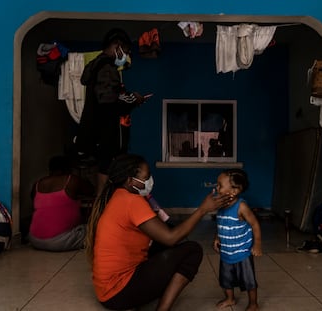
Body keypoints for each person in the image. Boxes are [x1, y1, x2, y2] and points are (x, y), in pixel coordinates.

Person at [85, 153, 233, 311]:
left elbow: (165, 234)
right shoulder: (132, 201)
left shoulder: (118, 196)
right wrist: (202, 210)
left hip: (106, 292)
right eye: (146, 177)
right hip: (118, 293)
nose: (150, 181)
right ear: (130, 180)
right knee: (192, 250)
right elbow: (171, 238)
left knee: (168, 244)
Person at [75, 28, 147, 194]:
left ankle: (100, 213)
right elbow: (109, 99)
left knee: (104, 171)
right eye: (126, 52)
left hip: (97, 132)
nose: (126, 57)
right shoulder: (107, 68)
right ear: (117, 46)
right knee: (106, 177)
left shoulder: (96, 67)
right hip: (107, 131)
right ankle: (101, 215)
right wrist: (133, 99)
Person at [212, 168, 262, 311]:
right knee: (225, 280)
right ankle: (230, 299)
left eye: (220, 185)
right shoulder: (220, 205)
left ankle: (253, 304)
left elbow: (255, 224)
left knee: (249, 281)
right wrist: (217, 237)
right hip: (226, 252)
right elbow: (220, 223)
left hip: (242, 252)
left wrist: (257, 244)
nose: (217, 187)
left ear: (234, 191)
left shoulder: (241, 206)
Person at [29, 155, 95, 251]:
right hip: (59, 242)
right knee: (93, 230)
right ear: (68, 168)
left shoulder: (38, 184)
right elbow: (91, 190)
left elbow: (35, 201)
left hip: (34, 239)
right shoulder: (71, 180)